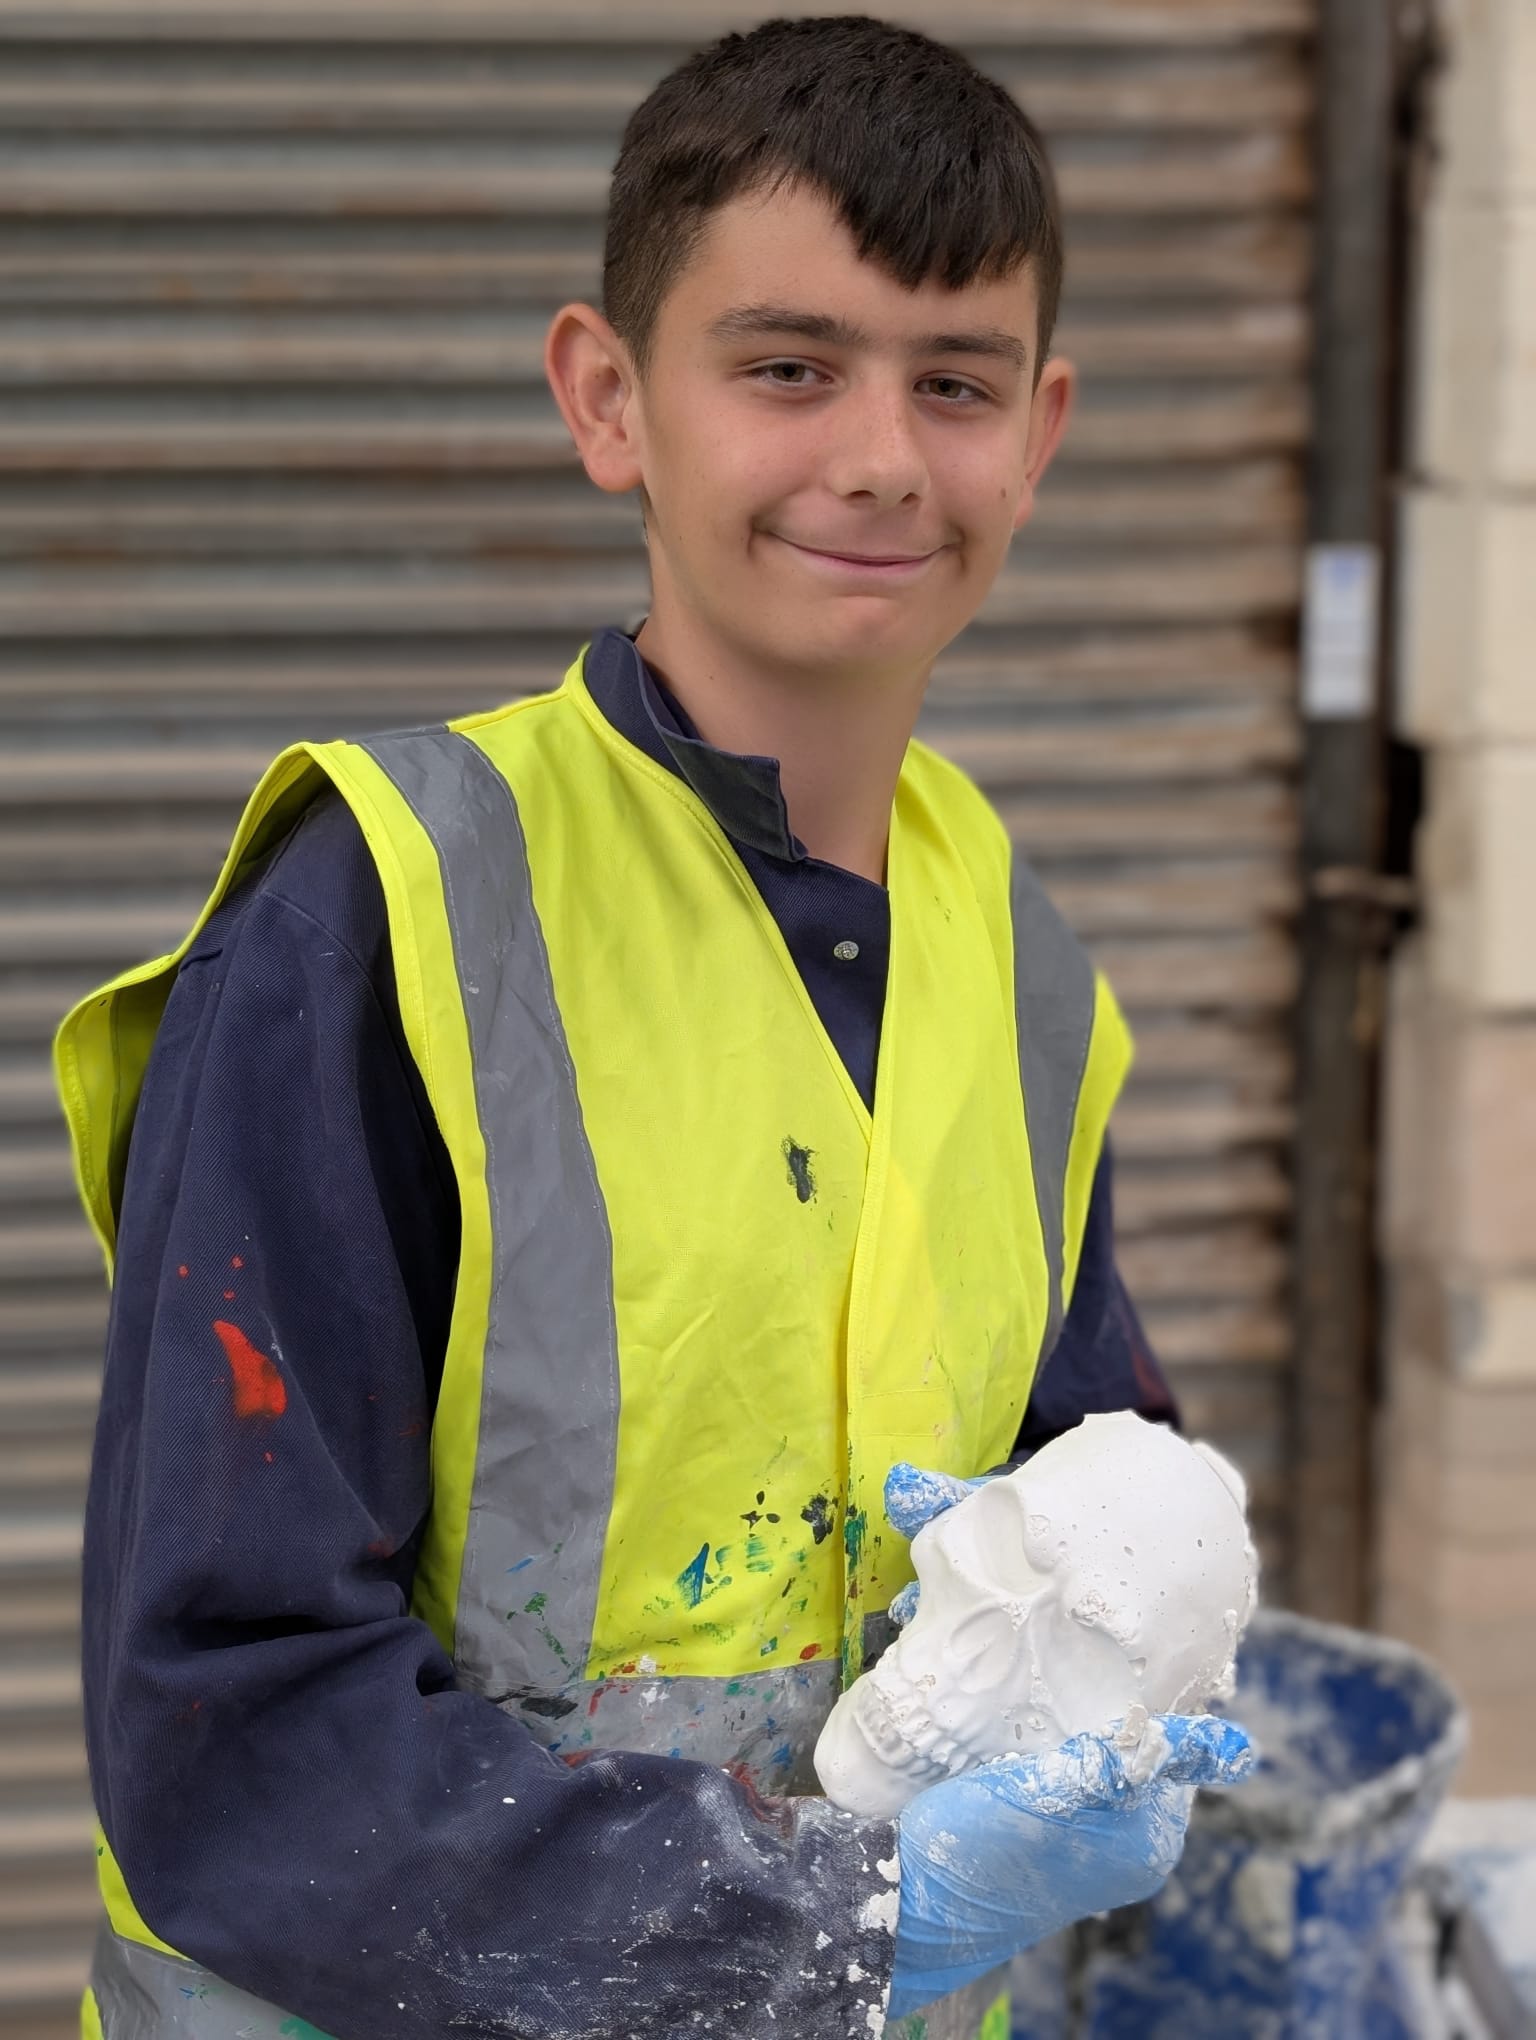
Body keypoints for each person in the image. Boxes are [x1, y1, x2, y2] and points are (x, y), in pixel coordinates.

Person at [55, 17, 1251, 2040]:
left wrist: (1124, 1591)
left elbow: (1093, 1474)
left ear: (1039, 437)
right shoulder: (385, 918)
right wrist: (823, 1923)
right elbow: (226, 1731)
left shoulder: (1024, 963)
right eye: (788, 366)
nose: (880, 454)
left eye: (952, 382)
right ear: (609, 399)